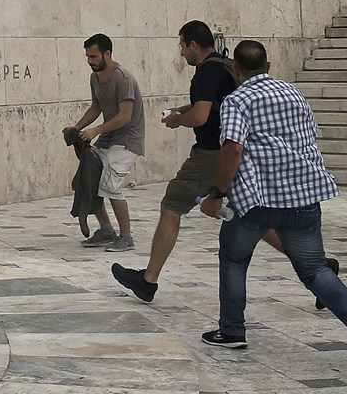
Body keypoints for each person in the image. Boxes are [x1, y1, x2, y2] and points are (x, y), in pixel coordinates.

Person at [196, 41, 347, 355]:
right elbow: (309, 135)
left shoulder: (236, 100)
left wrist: (216, 195)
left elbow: (232, 149)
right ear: (268, 66)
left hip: (258, 201)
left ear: (236, 70)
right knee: (315, 270)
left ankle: (232, 330)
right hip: (303, 196)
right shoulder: (293, 93)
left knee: (234, 260)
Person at [112, 21, 284, 301]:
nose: (181, 53)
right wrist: (183, 108)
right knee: (254, 217)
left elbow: (202, 117)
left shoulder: (205, 72)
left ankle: (148, 280)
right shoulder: (223, 65)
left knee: (171, 204)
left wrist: (178, 120)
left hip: (211, 155)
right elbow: (214, 104)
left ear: (193, 45)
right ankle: (316, 265)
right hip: (232, 149)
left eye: (182, 46)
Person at [66, 34, 144, 252]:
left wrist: (96, 130)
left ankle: (126, 236)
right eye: (87, 56)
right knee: (89, 177)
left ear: (107, 54)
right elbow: (96, 107)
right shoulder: (95, 77)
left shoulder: (123, 78)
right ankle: (106, 230)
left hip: (128, 140)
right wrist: (77, 128)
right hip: (109, 138)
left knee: (110, 184)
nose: (89, 61)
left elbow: (125, 116)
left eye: (93, 56)